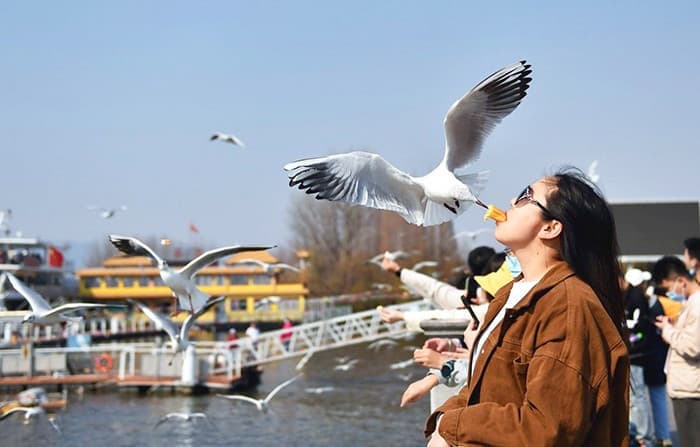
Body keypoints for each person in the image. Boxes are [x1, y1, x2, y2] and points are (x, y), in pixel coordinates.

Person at [425, 169, 629, 447]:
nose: (512, 201)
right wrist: (444, 418)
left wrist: (452, 425)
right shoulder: (509, 294)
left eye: (525, 196)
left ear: (550, 228)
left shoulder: (567, 305)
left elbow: (547, 429)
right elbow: (482, 389)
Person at [652, 256, 700, 447]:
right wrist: (673, 326)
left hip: (691, 388)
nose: (669, 294)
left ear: (681, 280)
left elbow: (693, 347)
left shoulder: (697, 304)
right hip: (687, 385)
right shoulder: (691, 303)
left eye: (668, 288)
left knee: (692, 441)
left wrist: (667, 331)